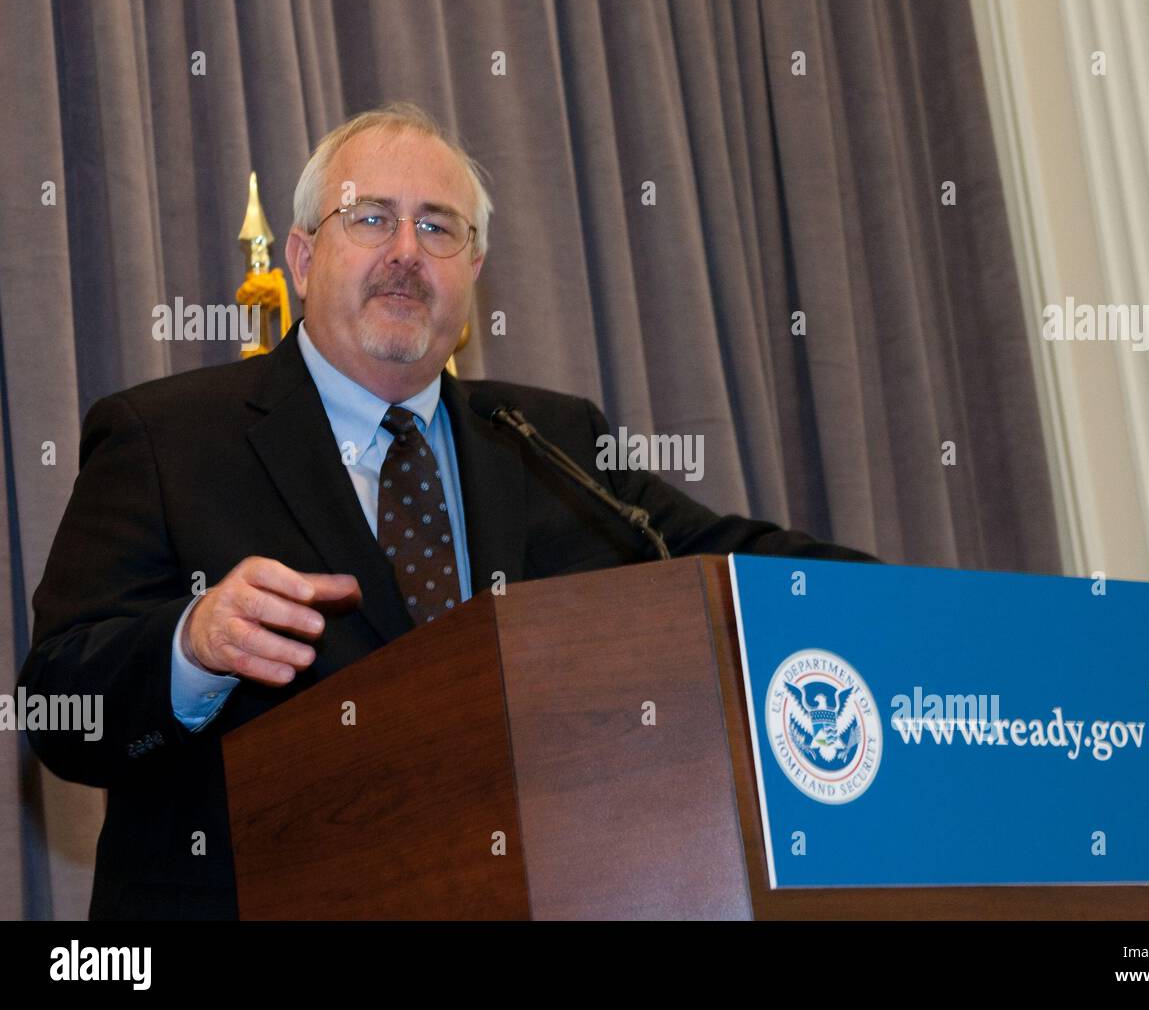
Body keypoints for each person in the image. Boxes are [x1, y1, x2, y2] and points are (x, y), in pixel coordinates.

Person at [20, 103, 877, 920]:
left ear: (472, 272)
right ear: (303, 256)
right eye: (370, 219)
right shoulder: (167, 437)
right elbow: (60, 704)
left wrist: (917, 610)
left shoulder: (552, 441)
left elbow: (718, 559)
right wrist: (191, 646)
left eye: (438, 227)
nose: (405, 252)